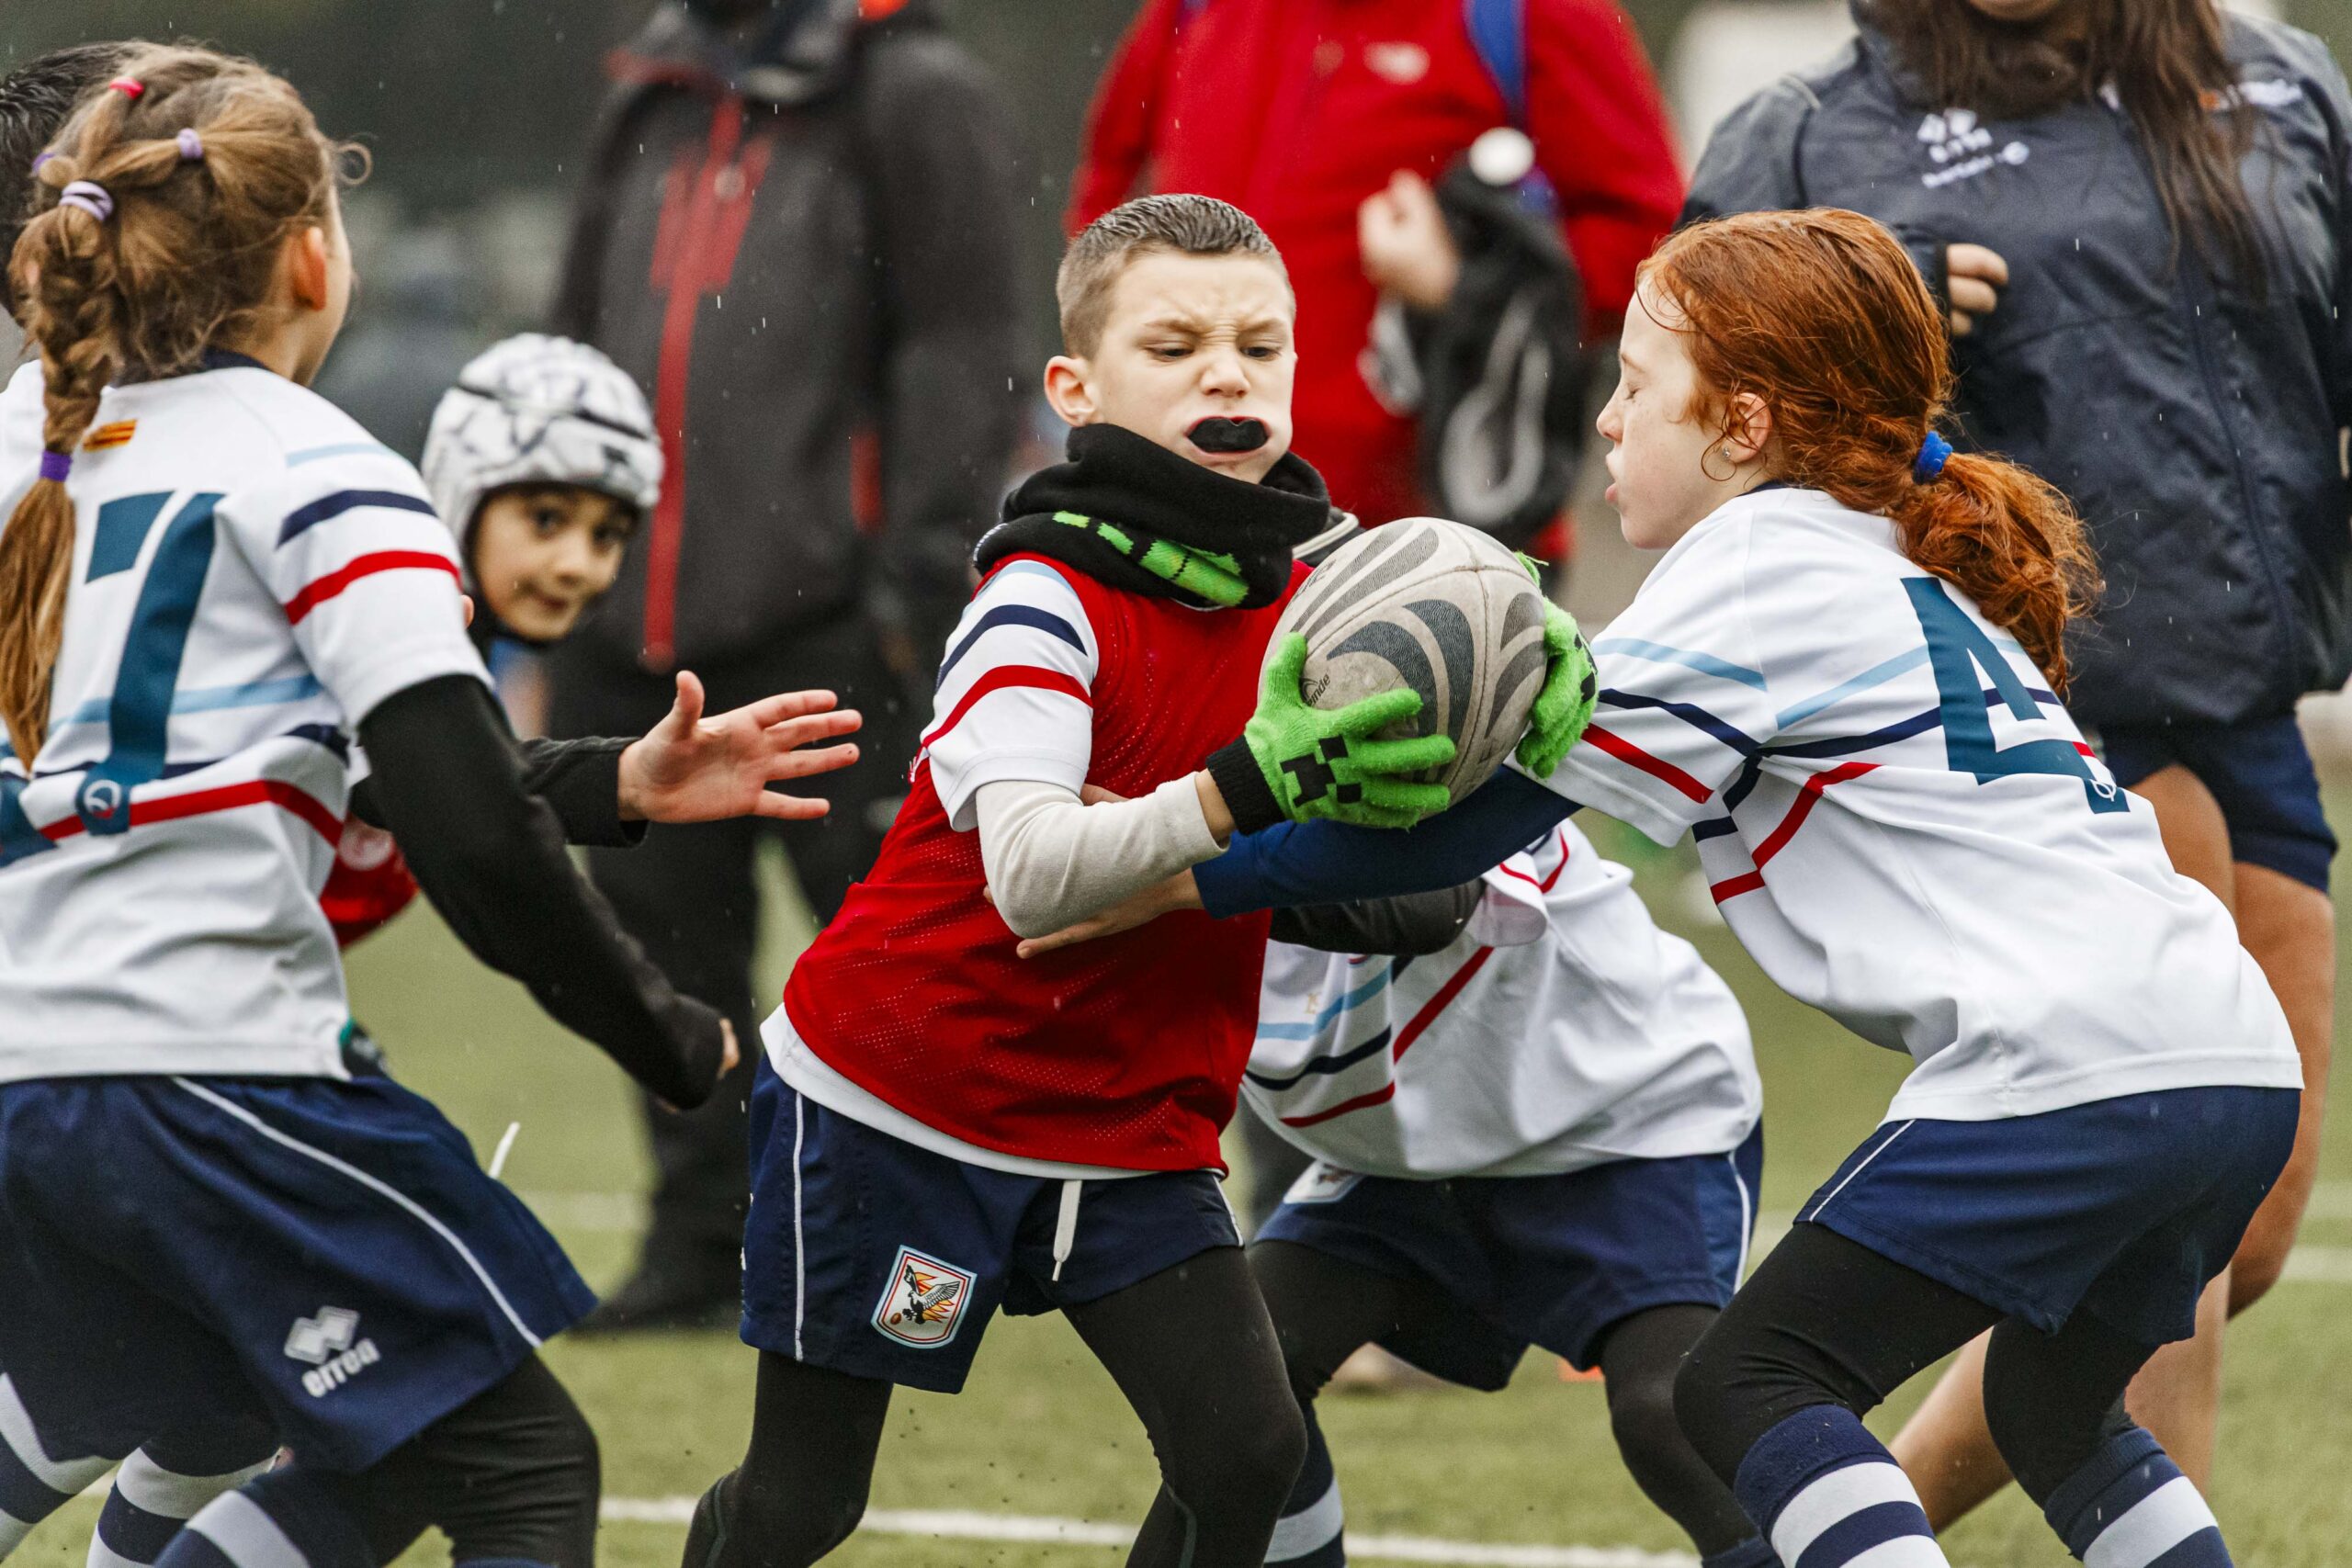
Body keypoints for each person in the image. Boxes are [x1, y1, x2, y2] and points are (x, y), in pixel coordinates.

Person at [1021, 208, 2300, 1568]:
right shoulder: (1900, 553)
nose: (1610, 420)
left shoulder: (1750, 568)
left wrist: (1173, 871)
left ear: (1742, 425)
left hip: (2071, 1066)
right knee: (2057, 1408)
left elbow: (1457, 835)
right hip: (2228, 1055)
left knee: (1747, 1384)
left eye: (1637, 385)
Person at [0, 46, 842, 1568]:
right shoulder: (327, 473)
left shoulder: (23, 446)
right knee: (520, 1465)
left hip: (23, 1082)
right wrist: (669, 1032)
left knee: (236, 1405)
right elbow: (466, 834)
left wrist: (613, 779)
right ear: (319, 256)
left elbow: (391, 774)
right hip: (199, 1073)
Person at [685, 192, 1584, 1568]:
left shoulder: (1336, 600)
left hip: (1132, 1116)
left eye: (1259, 344)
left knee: (1248, 1447)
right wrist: (1248, 791)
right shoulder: (1039, 599)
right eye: (1174, 344)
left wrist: (1519, 755)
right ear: (1077, 387)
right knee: (803, 1505)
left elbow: (1422, 894)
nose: (1227, 371)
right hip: (904, 1096)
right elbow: (1038, 881)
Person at [1678, 0, 2348, 1515]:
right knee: (2158, 1210)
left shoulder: (2275, 83)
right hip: (2031, 706)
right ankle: (1868, 1518)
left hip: (2243, 687)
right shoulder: (1810, 131)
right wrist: (1870, 322)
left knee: (2230, 1224)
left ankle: (1847, 1520)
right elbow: (1692, 399)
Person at [547, 0, 1028, 1330]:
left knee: (901, 963)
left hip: (834, 623)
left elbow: (964, 342)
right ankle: (707, 1239)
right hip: (629, 633)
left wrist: (916, 581)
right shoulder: (648, 87)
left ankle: (953, 1248)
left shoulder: (911, 86)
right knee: (658, 965)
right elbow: (571, 337)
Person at [1240, 823, 1771, 1568]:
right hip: (1410, 1145)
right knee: (1232, 1385)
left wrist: (1184, 874)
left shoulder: (1385, 715)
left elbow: (1435, 899)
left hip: (1616, 1108)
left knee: (1674, 1415)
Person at [1069, 0, 1681, 528]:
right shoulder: (1196, 8)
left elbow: (1657, 250)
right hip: (1185, 511)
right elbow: (1105, 189)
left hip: (1418, 542)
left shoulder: (1528, 15)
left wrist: (1465, 285)